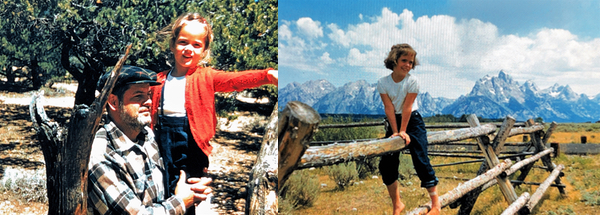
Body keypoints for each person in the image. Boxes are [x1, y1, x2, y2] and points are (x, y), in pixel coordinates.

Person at [150, 12, 278, 198]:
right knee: (163, 189)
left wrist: (267, 76)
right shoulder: (158, 79)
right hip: (161, 143)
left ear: (204, 51)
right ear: (172, 44)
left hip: (191, 145)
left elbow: (236, 80)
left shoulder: (206, 76)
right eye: (183, 42)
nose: (189, 49)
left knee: (188, 192)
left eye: (196, 45)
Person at [87, 65, 212, 215]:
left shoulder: (146, 135)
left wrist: (191, 188)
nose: (148, 102)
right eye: (138, 96)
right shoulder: (101, 154)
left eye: (148, 95)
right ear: (113, 102)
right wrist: (183, 201)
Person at [377, 44, 441, 215]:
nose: (407, 65)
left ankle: (436, 204)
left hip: (413, 120)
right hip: (393, 122)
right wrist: (395, 132)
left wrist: (403, 131)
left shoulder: (412, 81)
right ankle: (397, 204)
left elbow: (407, 107)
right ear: (394, 60)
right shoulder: (383, 83)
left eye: (411, 62)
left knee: (421, 159)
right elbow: (389, 108)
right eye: (404, 60)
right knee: (387, 164)